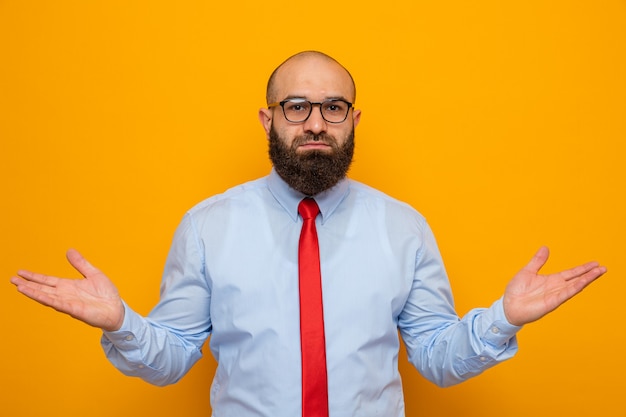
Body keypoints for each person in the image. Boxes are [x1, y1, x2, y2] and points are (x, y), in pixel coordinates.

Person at [10, 51, 606, 417]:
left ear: (353, 120)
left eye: (334, 107)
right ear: (268, 118)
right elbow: (170, 360)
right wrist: (123, 325)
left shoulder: (403, 227)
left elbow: (434, 358)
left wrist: (503, 318)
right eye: (296, 107)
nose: (316, 122)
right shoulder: (208, 226)